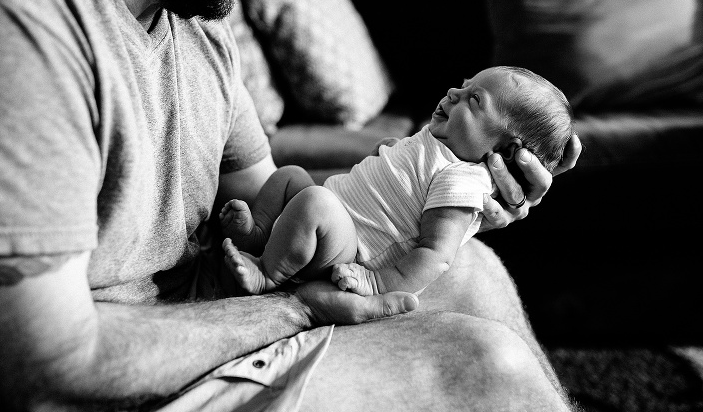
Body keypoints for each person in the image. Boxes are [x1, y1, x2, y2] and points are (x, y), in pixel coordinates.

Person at [0, 0, 583, 410]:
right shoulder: (6, 0)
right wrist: (295, 311)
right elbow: (43, 372)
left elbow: (273, 203)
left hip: (192, 330)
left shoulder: (194, 21)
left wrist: (437, 204)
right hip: (107, 386)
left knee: (470, 267)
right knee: (480, 368)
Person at [220, 66, 574, 297]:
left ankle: (267, 274)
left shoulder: (463, 181)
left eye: (475, 99)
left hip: (351, 250)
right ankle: (261, 234)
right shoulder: (438, 143)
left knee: (313, 201)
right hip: (333, 215)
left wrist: (377, 283)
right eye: (465, 85)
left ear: (507, 151)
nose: (453, 92)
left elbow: (436, 254)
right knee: (289, 176)